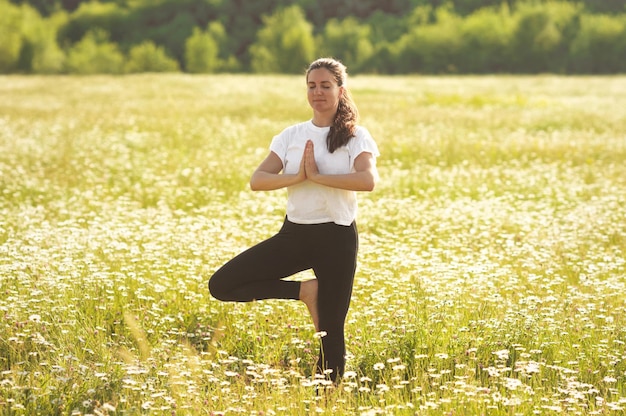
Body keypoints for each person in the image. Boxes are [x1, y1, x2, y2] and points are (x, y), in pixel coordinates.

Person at [208, 57, 380, 383]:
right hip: (294, 235)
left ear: (340, 90)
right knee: (221, 285)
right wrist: (297, 175)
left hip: (337, 239)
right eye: (312, 86)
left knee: (330, 334)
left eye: (325, 86)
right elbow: (258, 180)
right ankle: (304, 292)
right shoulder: (290, 135)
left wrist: (317, 176)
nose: (318, 92)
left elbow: (367, 180)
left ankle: (326, 401)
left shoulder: (356, 136)